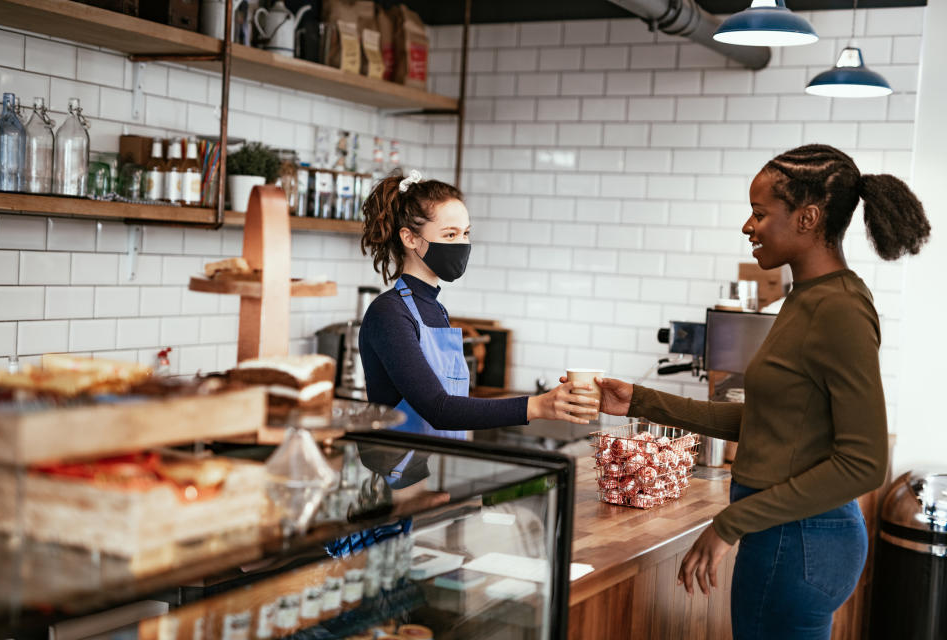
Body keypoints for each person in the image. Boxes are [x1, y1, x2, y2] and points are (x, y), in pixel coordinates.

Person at [591, 144, 930, 639]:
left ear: (808, 218)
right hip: (793, 535)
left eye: (759, 213)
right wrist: (640, 401)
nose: (748, 227)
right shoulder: (806, 297)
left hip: (799, 537)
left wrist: (731, 522)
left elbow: (865, 462)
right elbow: (769, 422)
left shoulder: (839, 308)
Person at [359, 170, 597, 439]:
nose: (462, 244)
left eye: (465, 234)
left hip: (439, 461)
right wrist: (537, 405)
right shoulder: (389, 312)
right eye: (450, 235)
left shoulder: (435, 309)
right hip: (402, 471)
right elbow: (439, 409)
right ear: (410, 238)